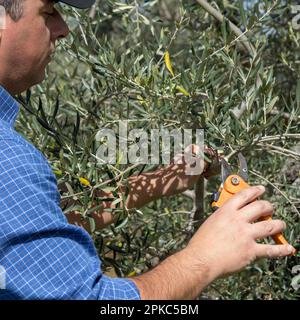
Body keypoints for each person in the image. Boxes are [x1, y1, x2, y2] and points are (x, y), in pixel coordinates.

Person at [0, 0, 294, 300]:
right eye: (48, 12)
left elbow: (42, 233)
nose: (63, 29)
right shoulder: (9, 160)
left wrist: (163, 179)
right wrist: (204, 259)